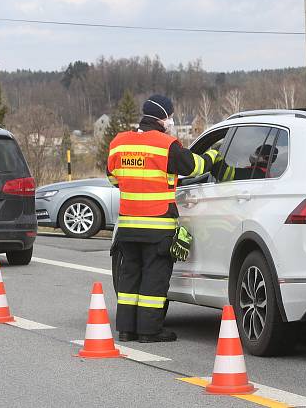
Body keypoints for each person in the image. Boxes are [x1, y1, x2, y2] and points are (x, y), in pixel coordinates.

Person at [107, 94, 220, 343]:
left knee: (129, 278)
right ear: (164, 117)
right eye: (170, 116)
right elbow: (194, 167)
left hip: (127, 225)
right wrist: (214, 156)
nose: (171, 120)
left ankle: (126, 330)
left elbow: (113, 178)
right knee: (153, 279)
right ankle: (149, 331)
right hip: (157, 225)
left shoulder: (119, 143)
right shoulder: (165, 145)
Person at [213, 144, 279, 182]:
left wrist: (215, 155)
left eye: (257, 153)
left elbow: (224, 173)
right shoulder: (266, 176)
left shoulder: (252, 174)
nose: (253, 155)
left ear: (266, 158)